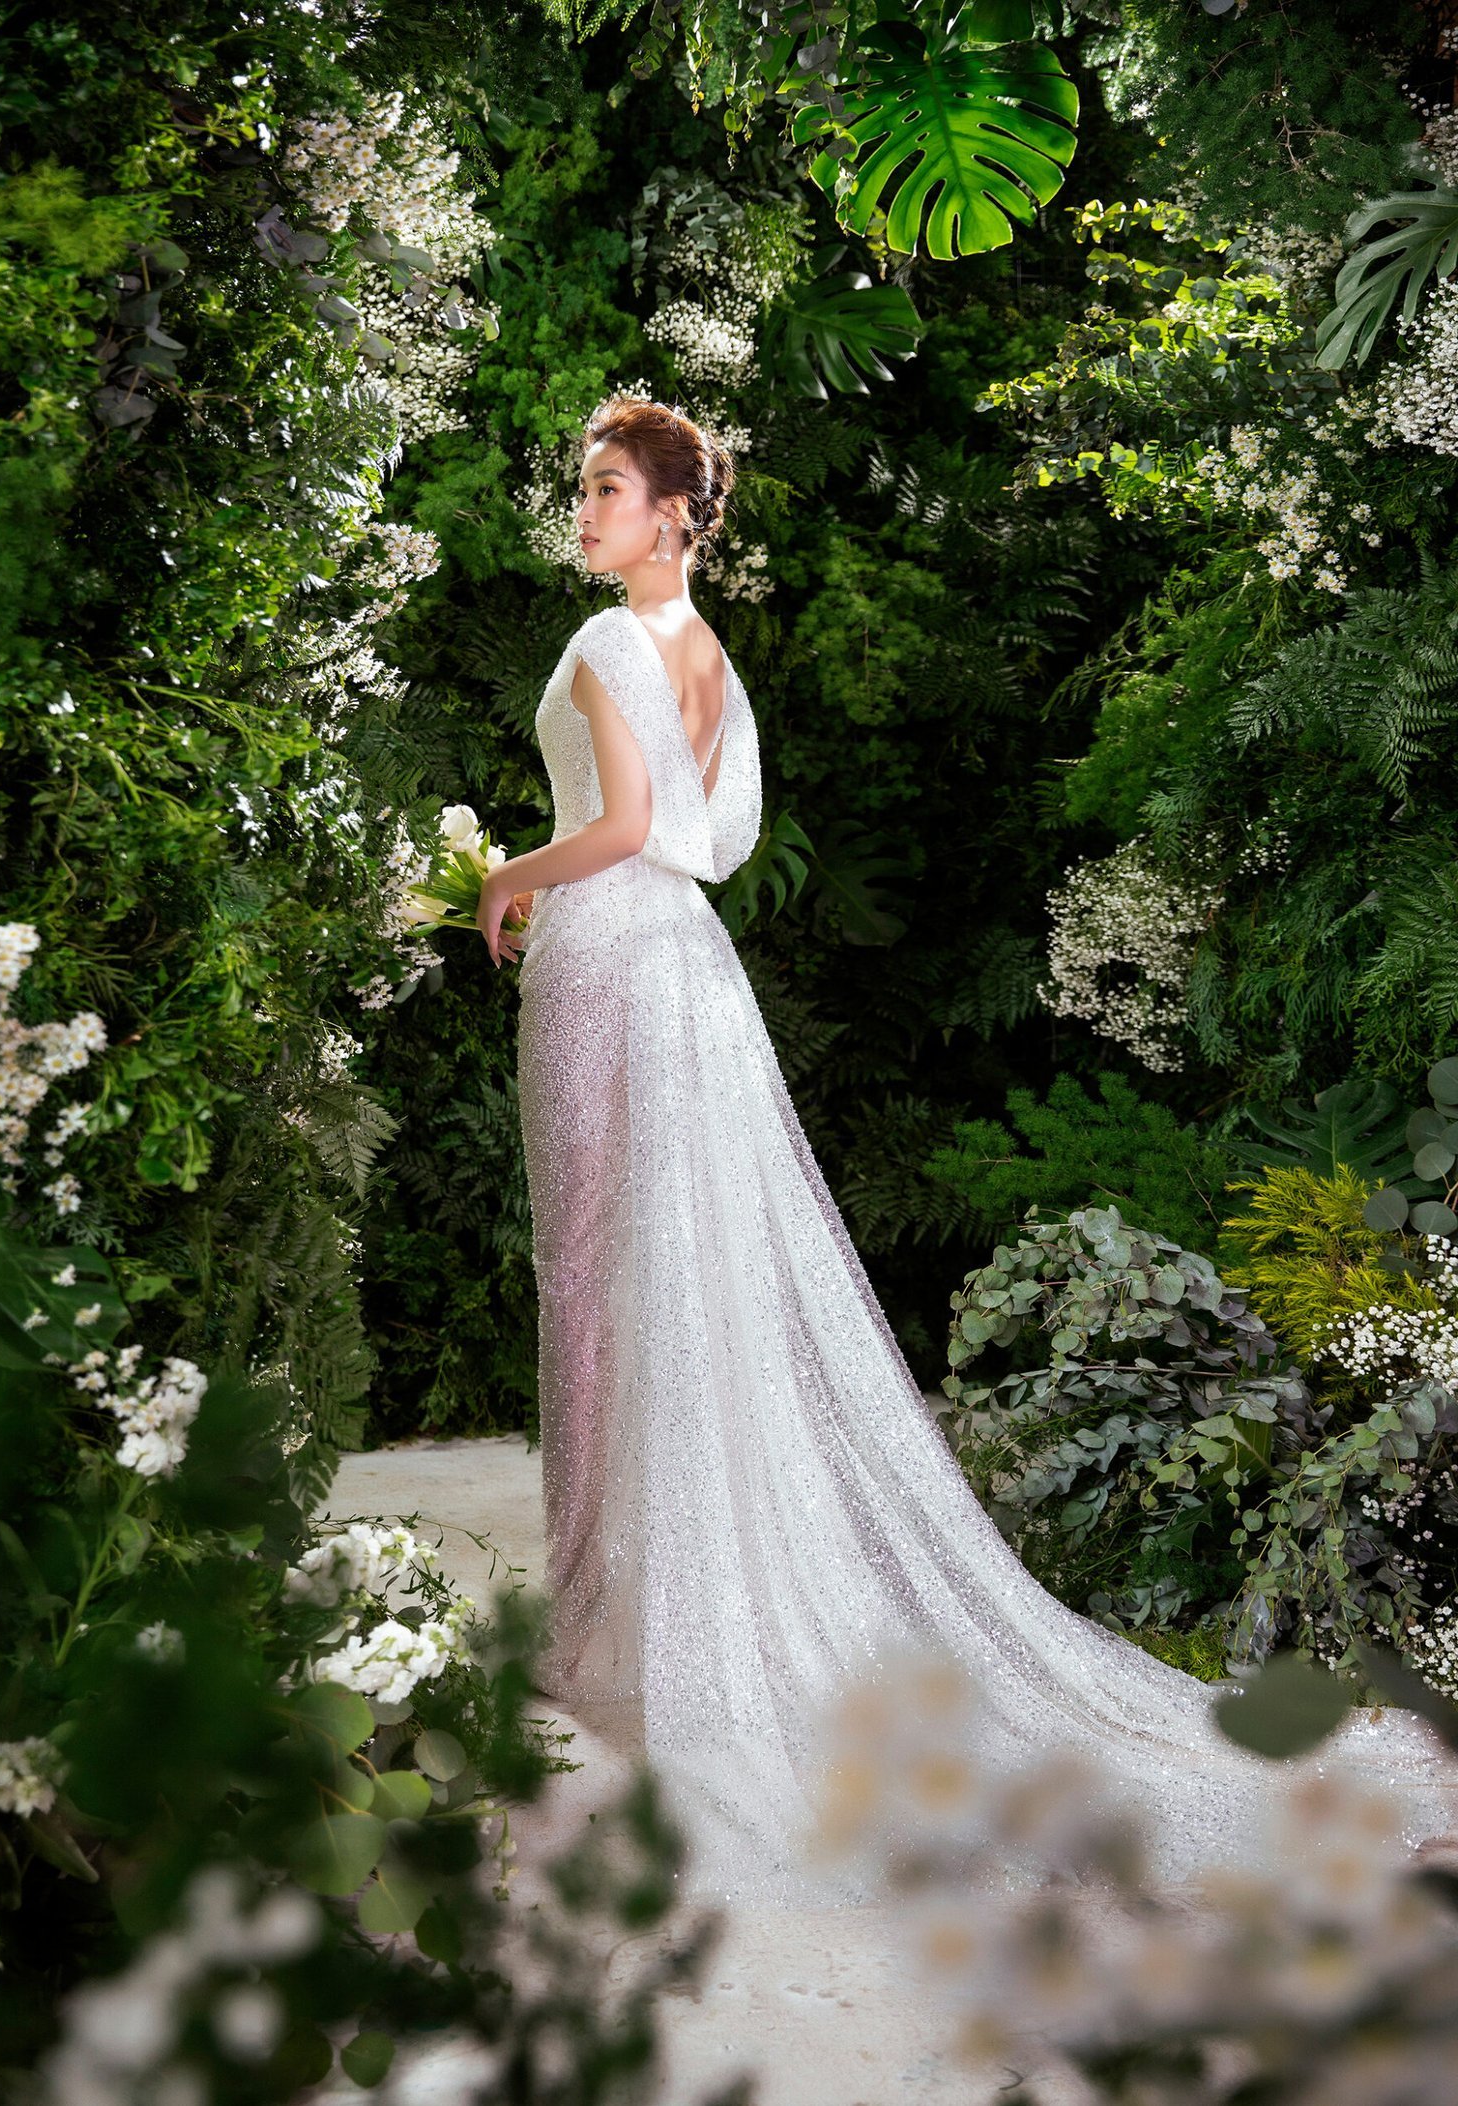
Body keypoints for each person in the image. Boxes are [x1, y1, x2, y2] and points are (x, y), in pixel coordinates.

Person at [472, 392, 1457, 1909]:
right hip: (689, 970)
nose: (586, 508)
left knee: (589, 1272)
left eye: (607, 488)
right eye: (585, 486)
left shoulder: (611, 645)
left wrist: (499, 873)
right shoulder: (712, 662)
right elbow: (713, 842)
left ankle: (595, 1615)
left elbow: (610, 831)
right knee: (667, 1273)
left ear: (672, 516)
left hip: (609, 952)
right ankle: (619, 1600)